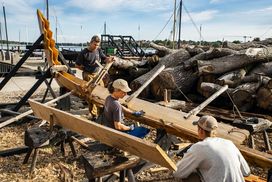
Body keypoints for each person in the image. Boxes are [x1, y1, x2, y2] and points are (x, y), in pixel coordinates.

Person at [173, 115, 250, 182]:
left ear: (201, 131)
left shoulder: (200, 147)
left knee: (191, 175)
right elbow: (246, 172)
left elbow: (178, 173)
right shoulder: (229, 143)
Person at [76, 35, 114, 118]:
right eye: (94, 44)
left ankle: (101, 112)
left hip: (98, 74)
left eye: (97, 45)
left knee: (102, 92)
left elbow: (105, 59)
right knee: (92, 93)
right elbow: (77, 65)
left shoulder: (98, 50)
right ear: (90, 43)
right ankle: (94, 114)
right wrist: (85, 68)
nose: (96, 46)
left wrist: (109, 59)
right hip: (88, 74)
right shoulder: (83, 53)